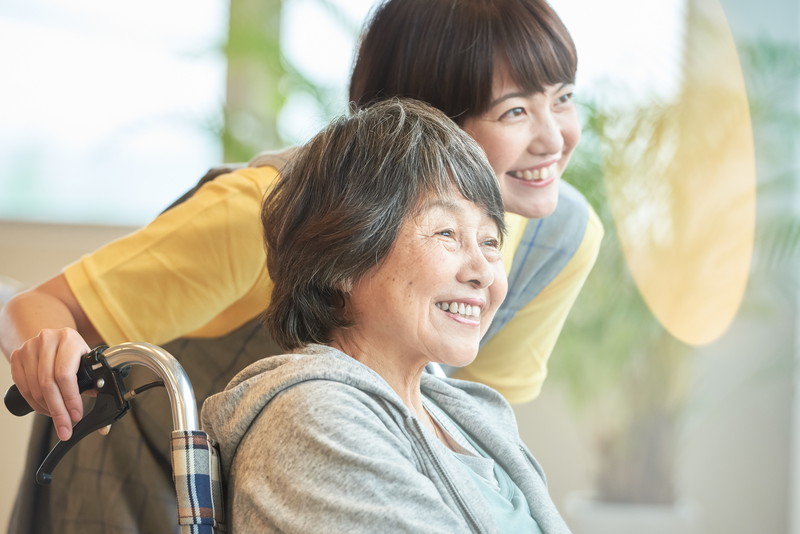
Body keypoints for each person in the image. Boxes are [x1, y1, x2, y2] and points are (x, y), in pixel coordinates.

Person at [1, 0, 601, 532]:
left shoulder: (561, 234)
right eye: (514, 112)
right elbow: (39, 307)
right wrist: (51, 355)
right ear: (419, 121)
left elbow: (460, 432)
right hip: (143, 465)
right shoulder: (264, 212)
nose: (556, 139)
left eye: (564, 98)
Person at [203, 96, 570, 533]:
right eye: (446, 232)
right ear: (342, 259)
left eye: (490, 241)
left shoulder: (470, 416)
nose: (482, 272)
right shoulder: (313, 420)